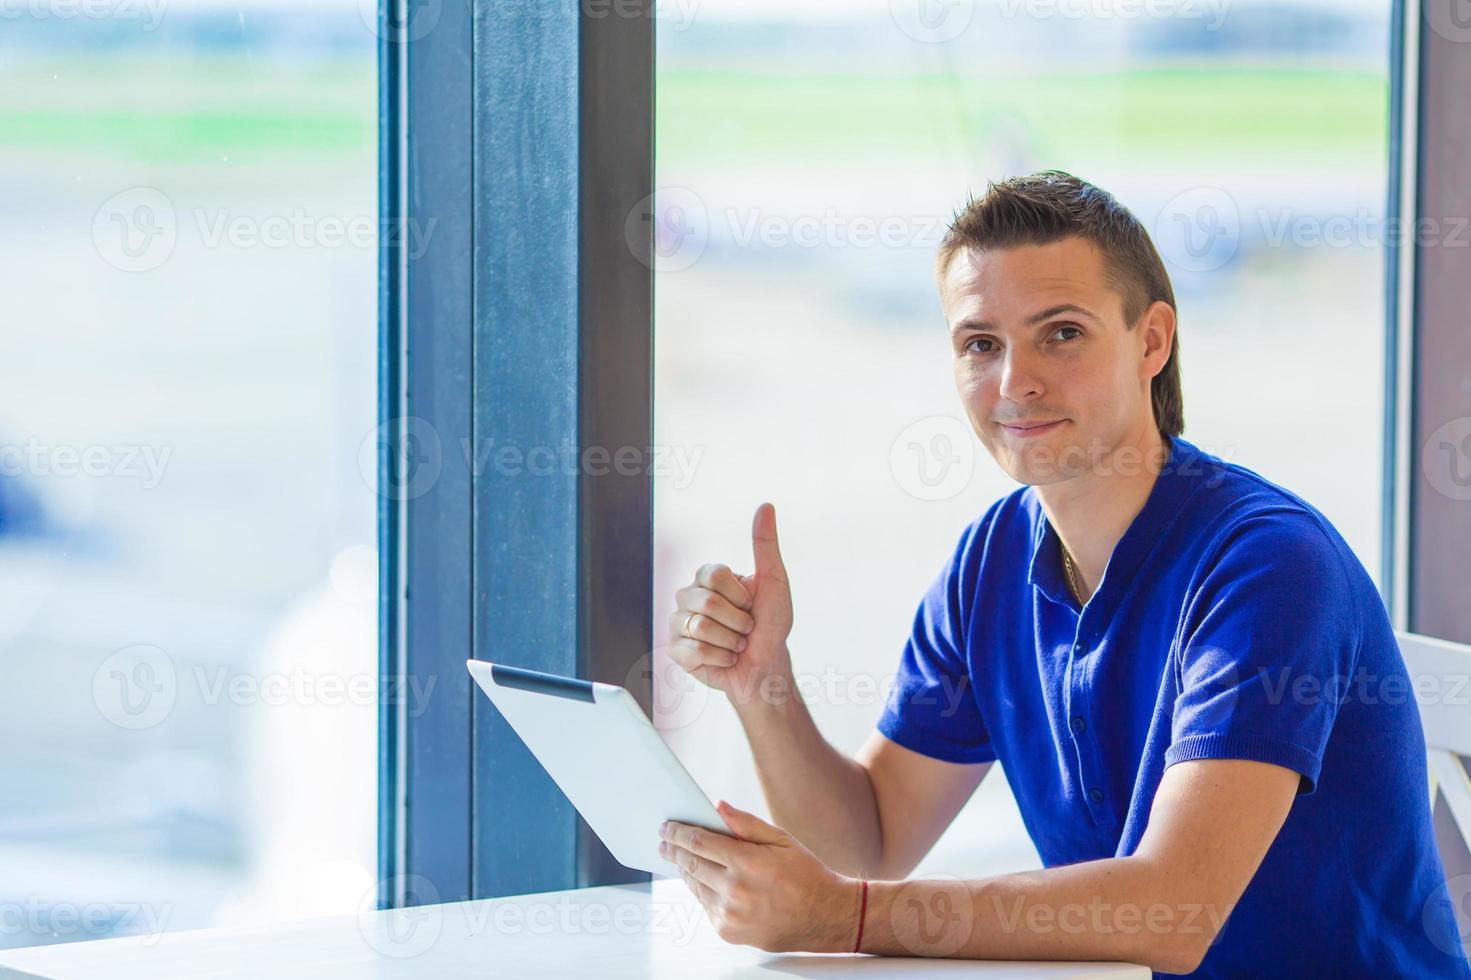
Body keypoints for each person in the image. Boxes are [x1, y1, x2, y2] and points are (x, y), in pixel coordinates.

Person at [655, 171, 1471, 978]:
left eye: (1061, 333)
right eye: (981, 344)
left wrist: (847, 914)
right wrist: (761, 685)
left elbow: (1173, 911)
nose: (1015, 383)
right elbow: (869, 840)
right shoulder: (990, 562)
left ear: (1151, 340)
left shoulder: (1268, 567)